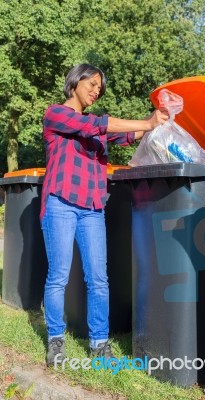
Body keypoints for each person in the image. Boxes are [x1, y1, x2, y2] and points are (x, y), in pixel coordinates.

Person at [40, 63, 169, 367]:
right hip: (60, 203)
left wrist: (158, 121)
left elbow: (126, 135)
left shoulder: (94, 126)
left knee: (98, 279)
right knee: (58, 276)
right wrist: (146, 123)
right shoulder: (56, 114)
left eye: (100, 87)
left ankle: (99, 343)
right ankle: (56, 340)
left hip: (92, 208)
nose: (97, 90)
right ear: (75, 81)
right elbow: (96, 125)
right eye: (93, 84)